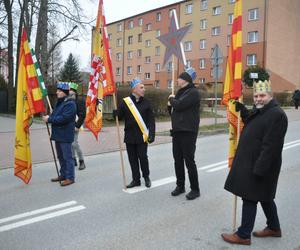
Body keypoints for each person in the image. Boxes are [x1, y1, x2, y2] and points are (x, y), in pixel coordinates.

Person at [221, 80, 288, 245]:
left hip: (261, 166)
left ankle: (243, 235)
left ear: (271, 96)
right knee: (265, 197)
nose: (258, 99)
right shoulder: (262, 111)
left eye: (262, 95)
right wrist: (243, 111)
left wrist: (259, 169)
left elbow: (271, 146)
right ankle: (274, 227)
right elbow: (253, 122)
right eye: (256, 95)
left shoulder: (277, 114)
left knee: (249, 196)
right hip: (254, 163)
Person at [114, 78, 155, 188]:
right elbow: (120, 117)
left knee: (143, 157)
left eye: (144, 87)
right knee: (132, 159)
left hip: (142, 136)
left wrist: (152, 134)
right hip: (129, 136)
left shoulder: (147, 102)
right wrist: (116, 113)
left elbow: (151, 120)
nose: (144, 89)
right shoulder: (126, 102)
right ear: (134, 89)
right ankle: (136, 180)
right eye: (141, 87)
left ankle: (146, 177)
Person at [168, 67, 201, 200]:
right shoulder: (180, 92)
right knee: (177, 160)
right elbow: (174, 109)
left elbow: (180, 105)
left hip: (188, 131)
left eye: (179, 78)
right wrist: (170, 105)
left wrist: (171, 99)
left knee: (189, 160)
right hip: (177, 131)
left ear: (185, 80)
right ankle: (180, 186)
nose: (177, 80)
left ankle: (195, 189)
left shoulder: (193, 92)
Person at [42, 82, 77, 186]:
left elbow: (64, 118)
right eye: (57, 90)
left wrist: (50, 119)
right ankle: (63, 174)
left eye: (59, 91)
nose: (57, 92)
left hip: (65, 135)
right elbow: (57, 115)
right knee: (60, 156)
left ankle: (70, 177)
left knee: (67, 157)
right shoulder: (60, 102)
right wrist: (50, 116)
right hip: (58, 134)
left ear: (65, 92)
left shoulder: (70, 104)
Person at [69, 82, 86, 170]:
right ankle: (73, 160)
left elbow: (82, 115)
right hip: (68, 125)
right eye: (69, 91)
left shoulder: (80, 101)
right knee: (70, 144)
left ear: (75, 92)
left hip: (76, 124)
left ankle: (81, 161)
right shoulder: (67, 100)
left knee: (74, 143)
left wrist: (77, 126)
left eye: (71, 91)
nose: (70, 93)